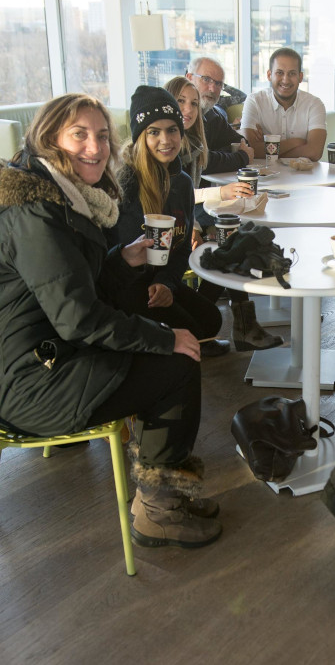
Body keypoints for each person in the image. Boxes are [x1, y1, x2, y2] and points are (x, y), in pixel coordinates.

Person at [0, 93, 222, 549]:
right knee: (177, 361)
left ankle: (164, 494)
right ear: (49, 139)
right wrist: (161, 338)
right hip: (32, 381)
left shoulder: (63, 199)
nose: (95, 148)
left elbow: (82, 292)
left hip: (53, 356)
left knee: (176, 347)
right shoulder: (36, 213)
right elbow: (78, 318)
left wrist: (122, 260)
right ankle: (159, 509)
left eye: (102, 135)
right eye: (79, 135)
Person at [105, 85, 229, 356]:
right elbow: (107, 261)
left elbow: (182, 247)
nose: (166, 140)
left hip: (160, 284)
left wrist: (166, 283)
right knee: (193, 329)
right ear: (141, 136)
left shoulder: (182, 183)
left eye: (172, 130)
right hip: (125, 291)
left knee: (212, 320)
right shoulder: (123, 183)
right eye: (154, 132)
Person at [163, 76, 283, 352]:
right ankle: (233, 325)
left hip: (186, 214)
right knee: (233, 239)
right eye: (181, 101)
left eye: (193, 103)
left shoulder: (192, 143)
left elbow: (187, 190)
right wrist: (218, 196)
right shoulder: (167, 145)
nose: (189, 109)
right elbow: (168, 196)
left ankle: (230, 324)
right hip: (167, 223)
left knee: (233, 236)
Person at [240, 47, 327, 161]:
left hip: (303, 177)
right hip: (264, 177)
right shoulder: (254, 101)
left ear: (300, 77)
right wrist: (295, 142)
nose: (285, 80)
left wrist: (267, 150)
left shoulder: (314, 104)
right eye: (280, 73)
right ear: (269, 75)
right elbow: (250, 150)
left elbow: (314, 152)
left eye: (292, 73)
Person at [186, 56, 254, 175]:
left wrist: (214, 154)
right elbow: (196, 161)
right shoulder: (175, 114)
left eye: (218, 83)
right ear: (189, 78)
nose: (212, 88)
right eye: (206, 79)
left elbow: (242, 144)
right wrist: (240, 157)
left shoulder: (213, 115)